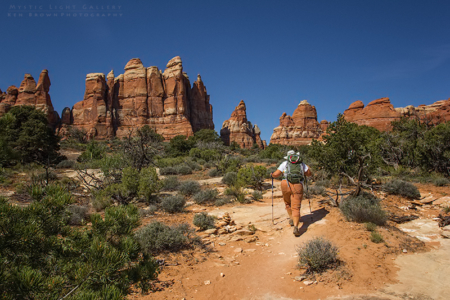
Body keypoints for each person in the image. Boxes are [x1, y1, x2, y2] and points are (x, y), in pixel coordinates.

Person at [271, 150, 312, 237]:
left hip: (285, 184)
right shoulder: (301, 163)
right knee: (296, 207)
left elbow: (276, 174)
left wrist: (272, 175)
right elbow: (309, 174)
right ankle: (296, 227)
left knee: (287, 203)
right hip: (297, 184)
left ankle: (291, 218)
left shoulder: (284, 163)